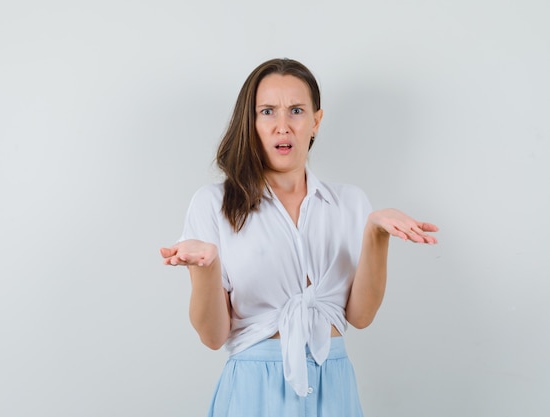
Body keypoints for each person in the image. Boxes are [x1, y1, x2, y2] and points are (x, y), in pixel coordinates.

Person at [160, 58, 438, 417]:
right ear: (252, 121)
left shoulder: (350, 203)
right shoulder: (214, 204)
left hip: (333, 383)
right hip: (254, 389)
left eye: (295, 111)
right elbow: (213, 337)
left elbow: (360, 316)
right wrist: (205, 268)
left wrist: (376, 234)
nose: (282, 126)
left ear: (315, 122)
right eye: (267, 112)